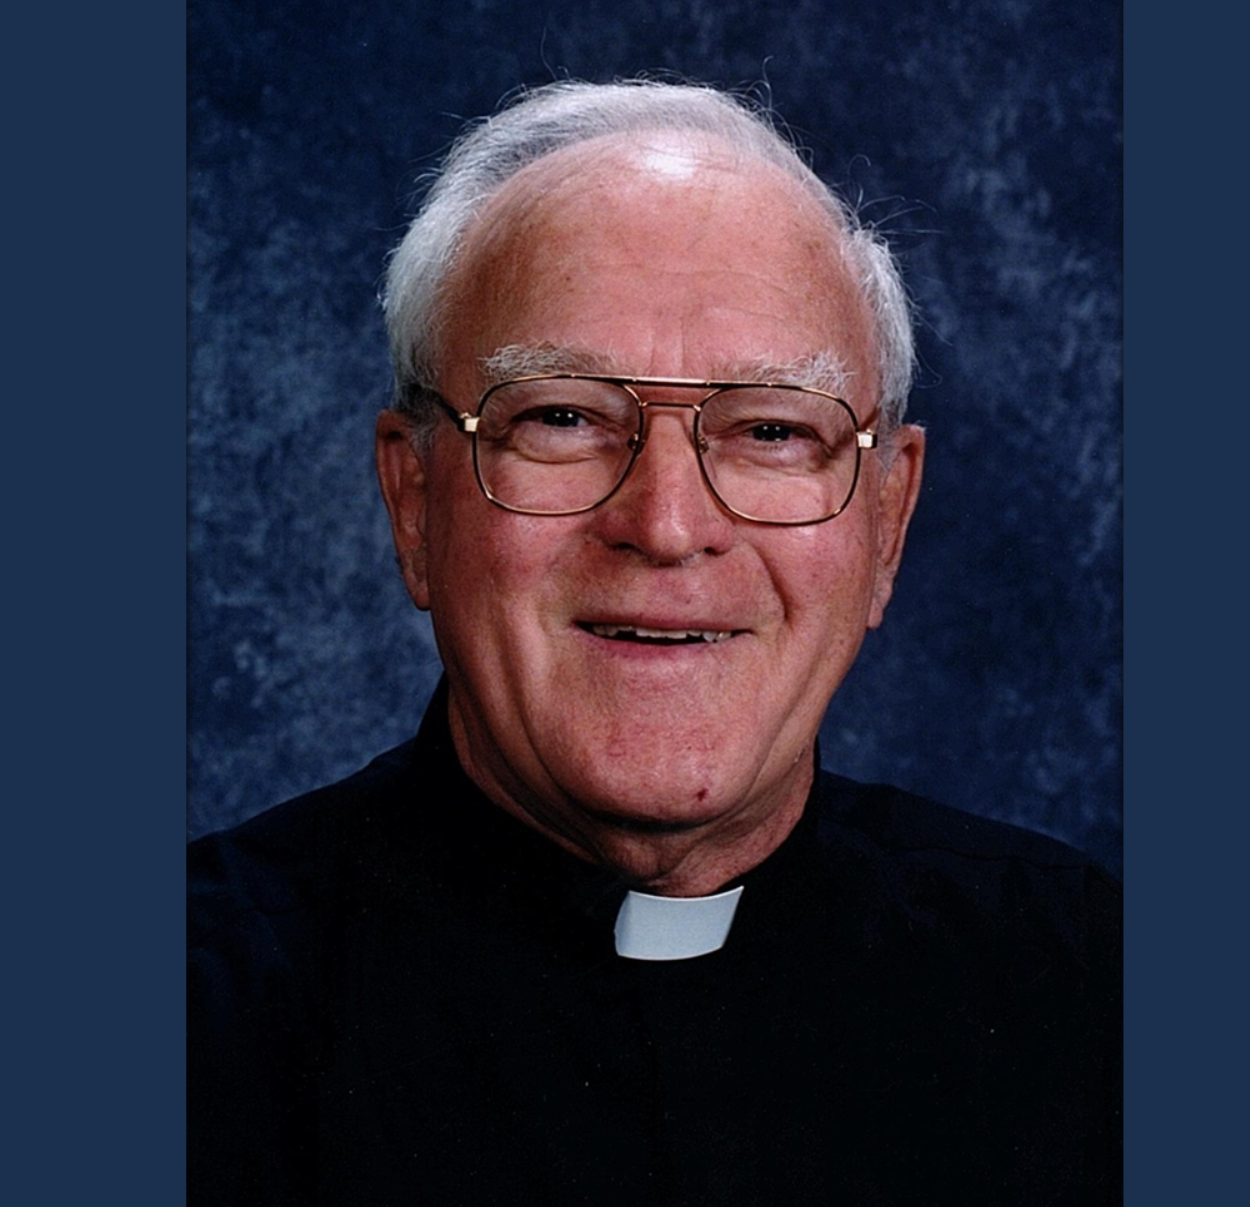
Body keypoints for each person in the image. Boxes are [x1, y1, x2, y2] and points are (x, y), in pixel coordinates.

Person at [188, 79, 1121, 1206]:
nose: (668, 525)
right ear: (414, 501)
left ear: (886, 522)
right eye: (561, 417)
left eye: (771, 429)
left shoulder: (1095, 991)